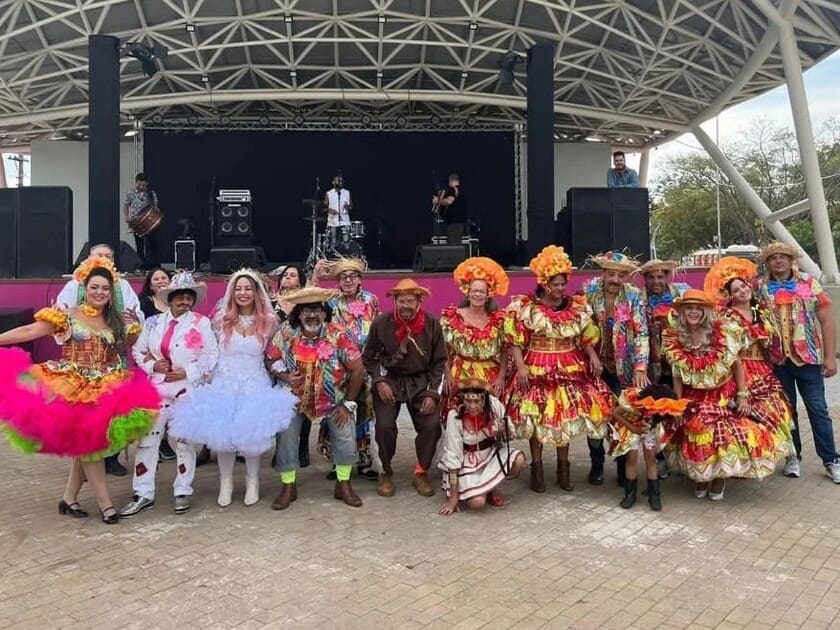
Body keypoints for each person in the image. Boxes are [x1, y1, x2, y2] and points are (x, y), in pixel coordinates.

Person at [0, 259, 158, 524]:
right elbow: (30, 330)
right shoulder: (67, 315)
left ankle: (69, 497)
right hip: (71, 386)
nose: (99, 293)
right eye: (94, 287)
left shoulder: (115, 320)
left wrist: (134, 331)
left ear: (111, 292)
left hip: (105, 386)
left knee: (84, 443)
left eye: (105, 289)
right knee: (89, 446)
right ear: (85, 288)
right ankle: (105, 504)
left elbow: (130, 342)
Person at [168, 269, 298, 507]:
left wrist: (285, 372)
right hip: (224, 382)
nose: (243, 293)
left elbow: (276, 353)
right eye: (238, 288)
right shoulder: (220, 319)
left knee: (251, 437)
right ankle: (225, 482)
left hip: (254, 382)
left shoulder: (270, 321)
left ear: (256, 292)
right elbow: (207, 350)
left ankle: (252, 481)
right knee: (223, 437)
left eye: (248, 288)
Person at [505, 245, 614, 493]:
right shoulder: (527, 308)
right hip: (536, 368)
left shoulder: (575, 307)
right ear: (544, 284)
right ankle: (537, 469)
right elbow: (514, 340)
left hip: (569, 366)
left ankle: (563, 469)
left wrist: (593, 356)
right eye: (555, 285)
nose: (560, 289)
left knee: (563, 417)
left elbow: (585, 337)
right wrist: (521, 368)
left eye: (563, 284)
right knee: (537, 418)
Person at [663, 290, 788, 500]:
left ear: (705, 312)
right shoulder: (674, 336)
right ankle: (702, 477)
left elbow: (737, 364)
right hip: (693, 394)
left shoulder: (721, 332)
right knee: (694, 433)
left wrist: (742, 394)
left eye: (697, 308)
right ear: (682, 312)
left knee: (721, 436)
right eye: (689, 308)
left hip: (720, 393)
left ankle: (719, 478)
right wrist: (677, 403)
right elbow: (677, 373)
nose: (693, 312)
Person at [119, 272, 219, 517]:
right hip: (157, 389)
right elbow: (139, 350)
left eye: (189, 297)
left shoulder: (201, 323)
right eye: (180, 297)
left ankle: (183, 489)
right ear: (170, 299)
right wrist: (155, 366)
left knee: (184, 441)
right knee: (149, 439)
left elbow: (211, 354)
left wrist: (188, 372)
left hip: (187, 388)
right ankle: (143, 492)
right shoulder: (153, 324)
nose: (185, 302)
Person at [267, 287, 366, 509]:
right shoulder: (286, 333)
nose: (312, 315)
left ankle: (344, 484)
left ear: (325, 313)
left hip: (334, 399)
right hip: (293, 398)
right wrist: (283, 375)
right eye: (306, 311)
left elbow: (358, 370)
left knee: (345, 434)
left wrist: (348, 403)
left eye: (317, 310)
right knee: (286, 436)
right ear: (298, 314)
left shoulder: (338, 334)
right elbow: (269, 359)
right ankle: (288, 487)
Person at [55, 243, 143, 477]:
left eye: (108, 256)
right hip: (80, 368)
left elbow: (134, 320)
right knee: (84, 430)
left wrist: (133, 323)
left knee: (112, 417)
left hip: (111, 363)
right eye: (98, 255)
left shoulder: (122, 286)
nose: (103, 259)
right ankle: (92, 490)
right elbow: (59, 316)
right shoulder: (74, 285)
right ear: (87, 259)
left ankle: (109, 459)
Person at [756, 242, 840, 483]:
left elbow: (827, 321)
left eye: (783, 257)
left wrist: (830, 358)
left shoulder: (808, 283)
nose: (778, 261)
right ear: (768, 263)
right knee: (786, 411)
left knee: (818, 409)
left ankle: (831, 459)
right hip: (777, 360)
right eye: (773, 258)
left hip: (808, 359)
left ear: (791, 260)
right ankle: (793, 456)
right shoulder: (760, 287)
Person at [362, 279, 447, 498]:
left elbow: (439, 363)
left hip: (421, 382)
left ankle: (421, 471)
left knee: (431, 424)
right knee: (384, 425)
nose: (405, 306)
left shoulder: (432, 324)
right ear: (395, 302)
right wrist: (379, 381)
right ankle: (385, 472)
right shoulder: (381, 323)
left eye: (410, 301)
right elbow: (369, 358)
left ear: (419, 301)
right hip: (390, 380)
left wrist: (432, 393)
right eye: (401, 301)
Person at [704, 256, 795, 453]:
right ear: (730, 296)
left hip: (763, 368)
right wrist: (741, 390)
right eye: (736, 290)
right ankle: (741, 457)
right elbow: (732, 351)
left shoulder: (761, 311)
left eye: (744, 286)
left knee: (774, 410)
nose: (742, 291)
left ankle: (776, 454)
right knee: (741, 415)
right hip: (740, 370)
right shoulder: (727, 317)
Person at [581, 251, 650, 487]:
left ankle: (622, 467)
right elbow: (580, 327)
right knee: (595, 417)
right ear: (603, 273)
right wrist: (590, 355)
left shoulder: (632, 295)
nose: (615, 280)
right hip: (594, 367)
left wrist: (641, 367)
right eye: (611, 274)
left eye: (621, 276)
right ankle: (596, 464)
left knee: (624, 415)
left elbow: (641, 332)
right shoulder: (588, 291)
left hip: (625, 367)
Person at [312, 257, 381, 480]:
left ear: (360, 279)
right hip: (337, 366)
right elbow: (308, 304)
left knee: (364, 410)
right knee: (337, 409)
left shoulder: (372, 300)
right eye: (343, 277)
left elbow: (378, 329)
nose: (348, 280)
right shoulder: (330, 301)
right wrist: (315, 277)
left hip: (366, 364)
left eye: (353, 276)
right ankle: (338, 461)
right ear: (338, 281)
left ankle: (363, 459)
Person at [438, 379, 526, 515]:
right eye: (468, 401)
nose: (472, 406)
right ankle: (472, 491)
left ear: (484, 399)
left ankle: (489, 488)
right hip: (466, 462)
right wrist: (453, 497)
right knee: (477, 503)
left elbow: (511, 435)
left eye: (477, 401)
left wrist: (503, 429)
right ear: (462, 399)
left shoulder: (494, 406)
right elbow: (453, 455)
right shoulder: (454, 416)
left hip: (489, 455)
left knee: (518, 461)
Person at [639, 258, 690, 479]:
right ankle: (660, 459)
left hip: (681, 363)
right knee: (656, 411)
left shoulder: (682, 293)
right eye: (651, 277)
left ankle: (681, 456)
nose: (656, 281)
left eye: (660, 276)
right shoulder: (637, 298)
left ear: (667, 277)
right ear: (645, 279)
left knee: (682, 409)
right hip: (652, 364)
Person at [440, 257, 509, 414]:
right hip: (460, 373)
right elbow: (443, 347)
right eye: (474, 291)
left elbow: (505, 348)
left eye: (482, 291)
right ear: (467, 292)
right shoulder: (452, 317)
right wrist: (447, 375)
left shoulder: (499, 320)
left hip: (490, 374)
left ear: (488, 295)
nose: (477, 294)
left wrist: (501, 376)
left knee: (490, 416)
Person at [609, 385, 688, 511]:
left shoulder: (658, 412)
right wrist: (633, 428)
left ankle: (654, 496)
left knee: (651, 458)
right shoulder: (632, 400)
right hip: (631, 427)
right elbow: (616, 413)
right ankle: (630, 495)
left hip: (648, 427)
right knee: (631, 459)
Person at [123, 172, 161, 269]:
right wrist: (127, 216)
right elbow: (126, 205)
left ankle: (155, 265)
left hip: (149, 223)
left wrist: (156, 214)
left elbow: (155, 207)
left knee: (153, 245)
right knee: (139, 246)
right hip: (136, 223)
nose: (141, 186)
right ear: (136, 183)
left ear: (147, 183)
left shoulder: (151, 193)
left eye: (143, 185)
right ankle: (142, 266)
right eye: (139, 184)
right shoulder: (130, 193)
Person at [435, 173, 467, 246]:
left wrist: (438, 201)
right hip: (460, 223)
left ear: (451, 181)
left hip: (454, 224)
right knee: (457, 245)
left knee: (454, 247)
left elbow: (449, 201)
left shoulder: (453, 189)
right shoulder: (462, 190)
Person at [324, 172, 352, 251]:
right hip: (333, 220)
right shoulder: (329, 193)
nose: (340, 182)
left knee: (346, 242)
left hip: (345, 220)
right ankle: (333, 257)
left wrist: (348, 207)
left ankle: (345, 257)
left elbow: (351, 206)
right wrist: (329, 210)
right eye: (338, 181)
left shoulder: (347, 192)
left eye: (341, 181)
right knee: (333, 241)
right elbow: (322, 208)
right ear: (333, 182)